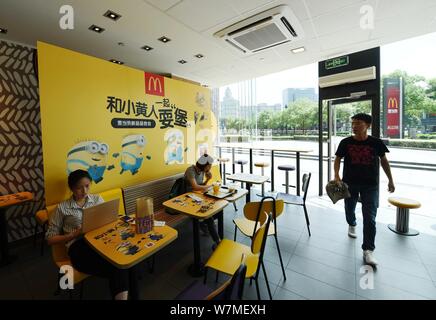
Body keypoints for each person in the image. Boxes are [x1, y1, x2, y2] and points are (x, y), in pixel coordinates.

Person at [46, 169, 129, 300]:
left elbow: (106, 220)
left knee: (125, 264)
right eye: (79, 188)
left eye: (87, 186)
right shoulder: (62, 208)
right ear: (72, 188)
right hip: (79, 248)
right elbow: (50, 239)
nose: (84, 191)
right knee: (119, 268)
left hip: (101, 242)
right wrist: (74, 234)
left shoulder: (97, 199)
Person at [334, 113, 395, 266]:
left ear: (368, 125)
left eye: (358, 123)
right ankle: (352, 223)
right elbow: (337, 159)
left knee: (370, 218)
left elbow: (384, 161)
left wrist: (390, 180)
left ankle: (368, 250)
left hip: (370, 185)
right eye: (353, 123)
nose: (354, 126)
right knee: (349, 209)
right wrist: (336, 175)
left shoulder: (376, 143)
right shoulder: (345, 142)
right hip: (350, 184)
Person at [184, 154, 221, 247]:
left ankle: (202, 224)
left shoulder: (201, 171)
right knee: (209, 215)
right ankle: (217, 241)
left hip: (197, 197)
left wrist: (208, 179)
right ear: (204, 165)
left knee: (216, 208)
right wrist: (210, 185)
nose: (210, 167)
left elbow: (201, 185)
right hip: (187, 198)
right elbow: (195, 187)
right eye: (209, 166)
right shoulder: (190, 170)